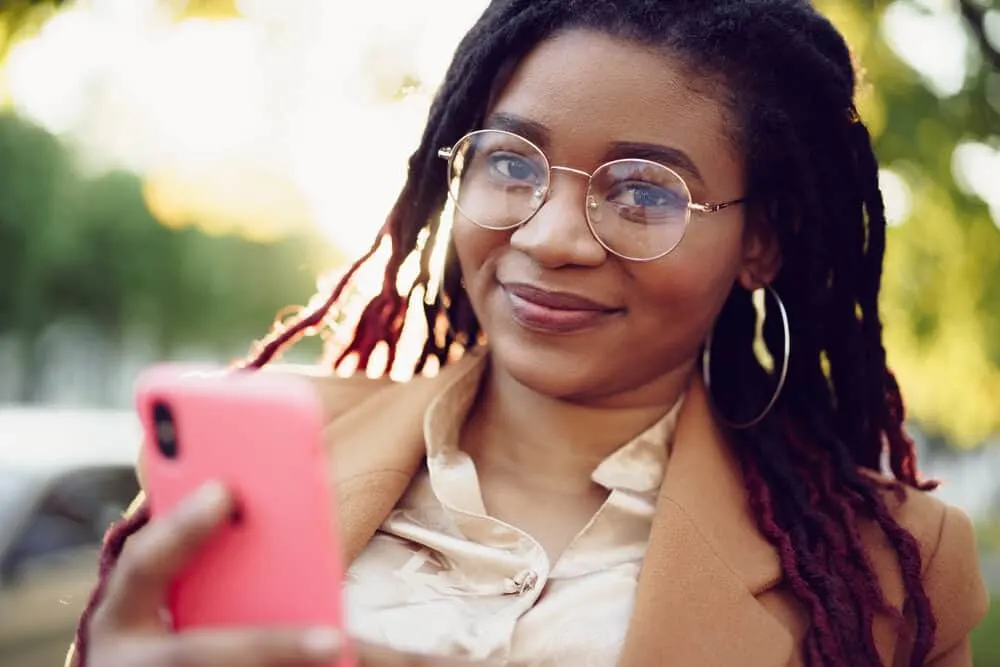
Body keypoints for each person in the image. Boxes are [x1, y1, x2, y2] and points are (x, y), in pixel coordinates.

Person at [68, 0, 990, 665]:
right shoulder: (252, 463)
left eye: (642, 191)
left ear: (759, 243)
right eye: (512, 163)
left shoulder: (886, 570)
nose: (547, 238)